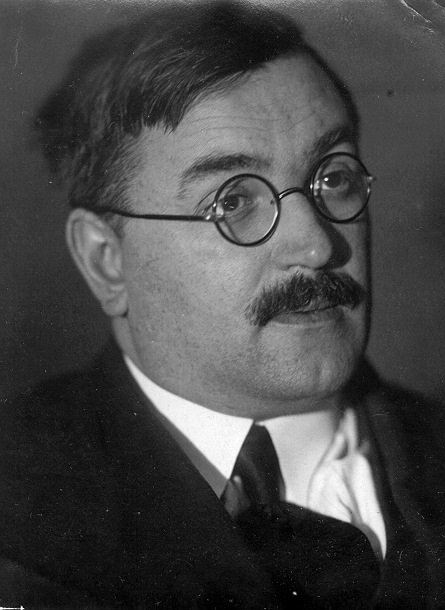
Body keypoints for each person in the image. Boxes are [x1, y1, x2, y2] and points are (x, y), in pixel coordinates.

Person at [1, 1, 444, 606]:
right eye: (232, 202)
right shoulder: (20, 509)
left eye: (333, 178)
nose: (317, 246)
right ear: (106, 260)